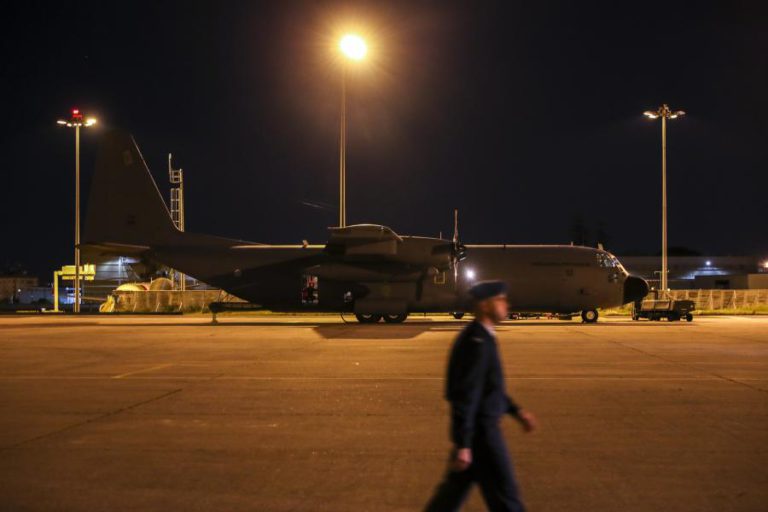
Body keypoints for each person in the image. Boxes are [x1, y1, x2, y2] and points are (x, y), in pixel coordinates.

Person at [424, 280, 537, 512]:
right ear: (486, 306)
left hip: (476, 433)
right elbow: (466, 394)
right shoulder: (476, 342)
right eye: (501, 299)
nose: (507, 304)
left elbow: (489, 388)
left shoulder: (482, 337)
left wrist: (517, 412)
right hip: (483, 435)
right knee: (507, 499)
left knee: (450, 498)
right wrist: (464, 442)